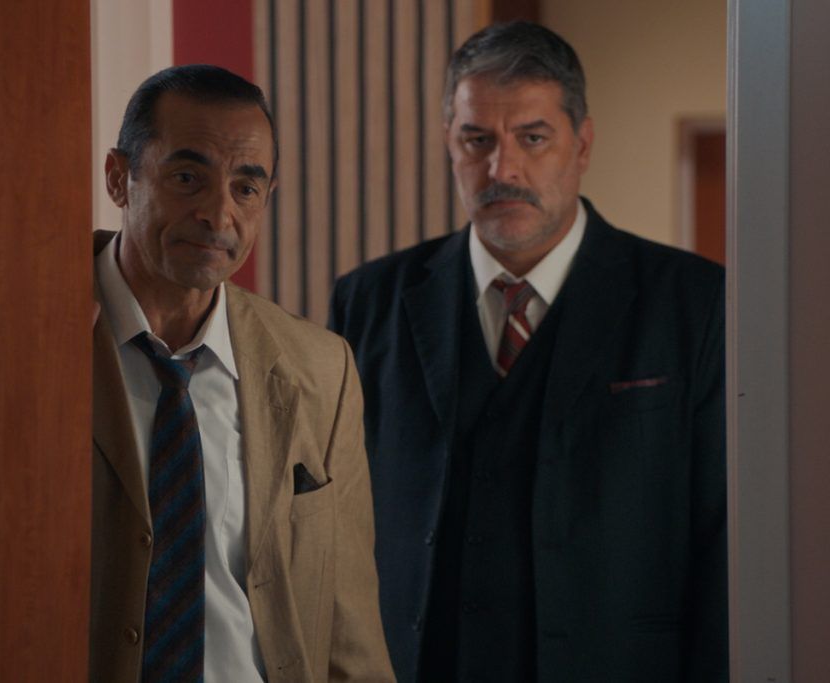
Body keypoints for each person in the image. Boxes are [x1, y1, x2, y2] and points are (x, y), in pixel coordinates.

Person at [329, 22, 726, 683]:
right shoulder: (368, 302)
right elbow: (327, 530)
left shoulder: (693, 302)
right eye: (477, 140)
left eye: (532, 138)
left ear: (583, 143)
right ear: (449, 143)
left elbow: (722, 537)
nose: (502, 170)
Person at [91, 64, 394, 683]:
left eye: (246, 188)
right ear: (120, 178)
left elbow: (349, 631)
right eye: (188, 178)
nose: (218, 213)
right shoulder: (28, 341)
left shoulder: (322, 370)